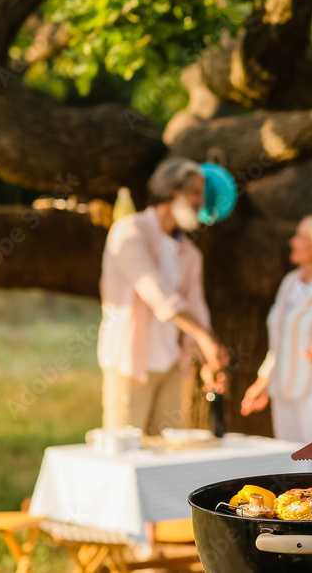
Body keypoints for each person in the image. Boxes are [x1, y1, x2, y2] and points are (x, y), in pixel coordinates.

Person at [98, 157, 229, 436]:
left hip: (170, 365)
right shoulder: (128, 231)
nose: (200, 201)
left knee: (165, 454)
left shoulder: (191, 254)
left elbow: (197, 309)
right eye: (195, 192)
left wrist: (209, 360)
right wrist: (206, 341)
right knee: (125, 456)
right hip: (129, 365)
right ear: (172, 190)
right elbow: (157, 293)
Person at [241, 215, 312, 472]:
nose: (293, 242)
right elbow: (279, 343)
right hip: (284, 392)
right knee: (291, 467)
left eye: (301, 237)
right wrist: (263, 381)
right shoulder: (289, 283)